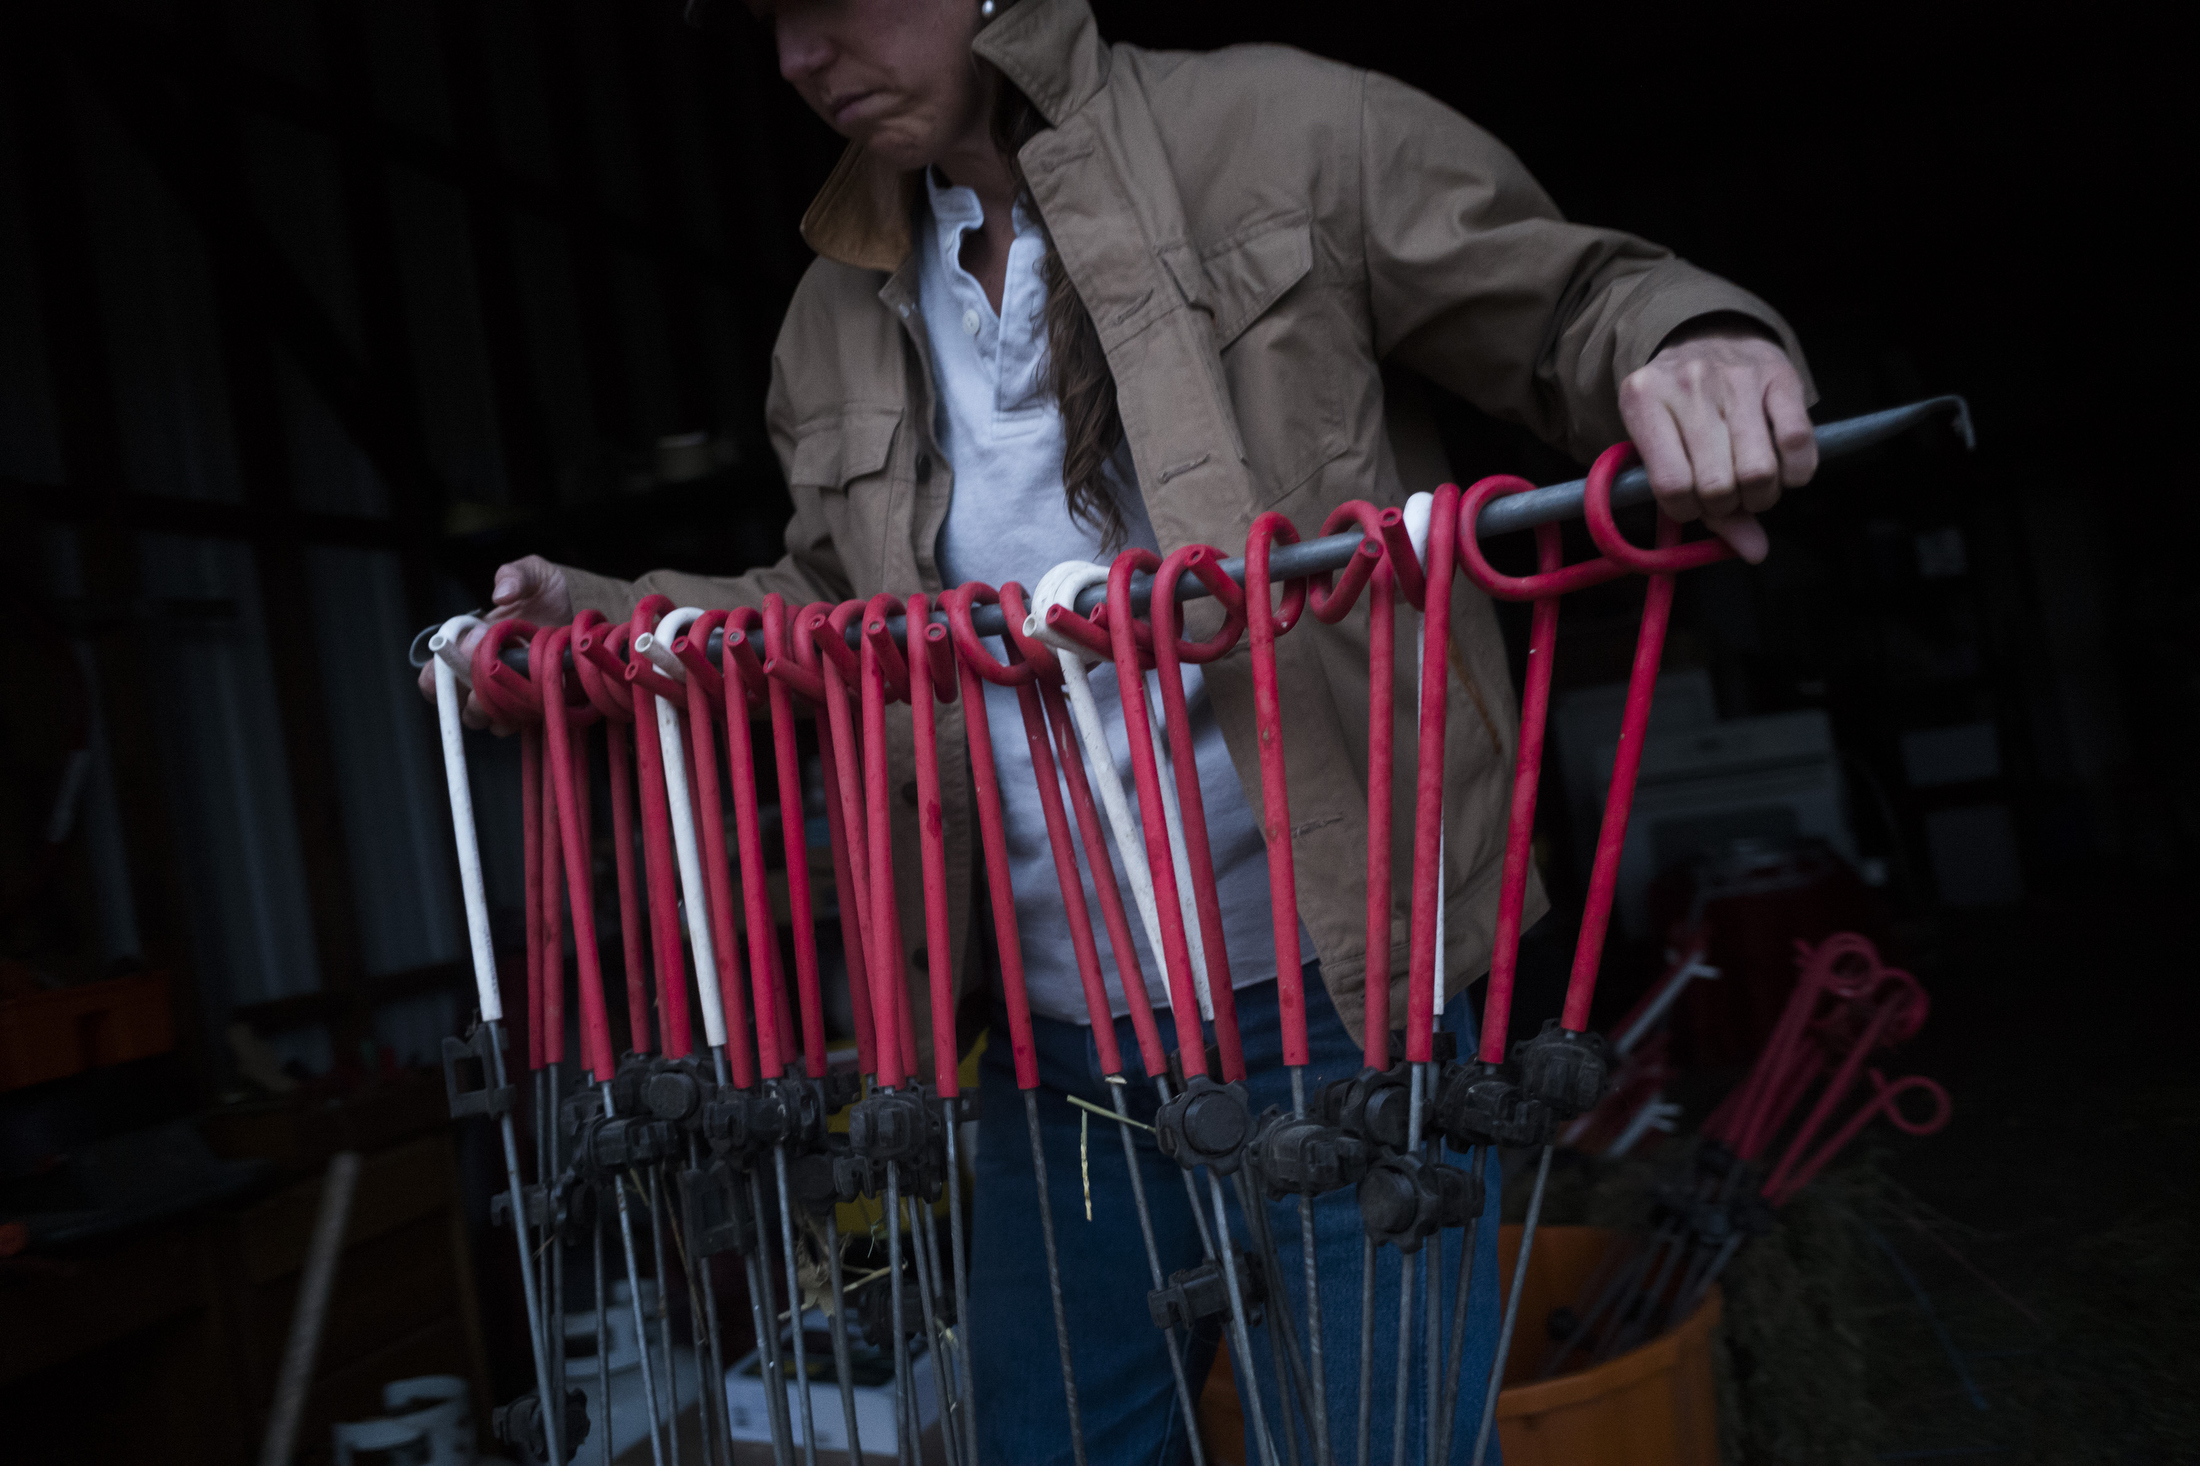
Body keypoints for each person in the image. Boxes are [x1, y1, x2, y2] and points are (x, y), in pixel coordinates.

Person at [424, 2, 1817, 1460]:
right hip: (1058, 1055)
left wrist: (1696, 343)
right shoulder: (831, 318)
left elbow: (1577, 300)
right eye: (773, 25)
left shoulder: (1288, 135)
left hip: (1336, 1008)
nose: (796, 60)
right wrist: (604, 612)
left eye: (832, 6)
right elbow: (839, 607)